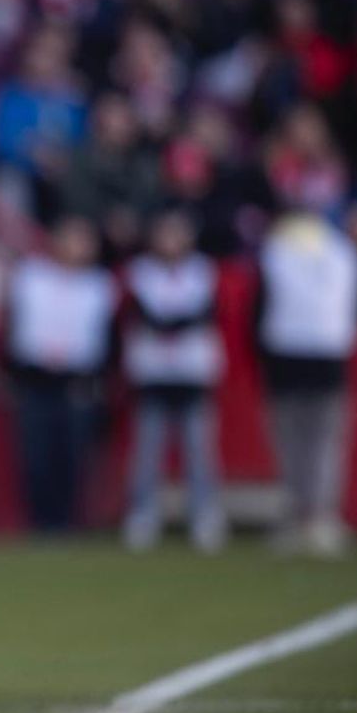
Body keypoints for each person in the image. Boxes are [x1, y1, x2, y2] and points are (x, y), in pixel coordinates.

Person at [257, 210, 357, 558]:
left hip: (291, 356)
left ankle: (307, 514)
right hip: (322, 355)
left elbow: (258, 308)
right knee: (317, 443)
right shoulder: (344, 252)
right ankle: (314, 516)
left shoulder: (275, 250)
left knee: (300, 443)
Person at [3, 216, 119, 533]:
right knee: (36, 457)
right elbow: (10, 325)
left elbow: (110, 338)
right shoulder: (30, 276)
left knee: (72, 457)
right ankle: (40, 524)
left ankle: (69, 523)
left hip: (77, 383)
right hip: (35, 378)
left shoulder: (100, 285)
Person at [121, 209, 227, 553]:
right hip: (152, 373)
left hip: (192, 372)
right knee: (148, 450)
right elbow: (144, 313)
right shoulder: (141, 272)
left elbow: (202, 312)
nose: (170, 242)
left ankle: (204, 514)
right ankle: (143, 514)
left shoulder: (201, 271)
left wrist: (170, 322)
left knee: (198, 449)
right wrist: (171, 322)